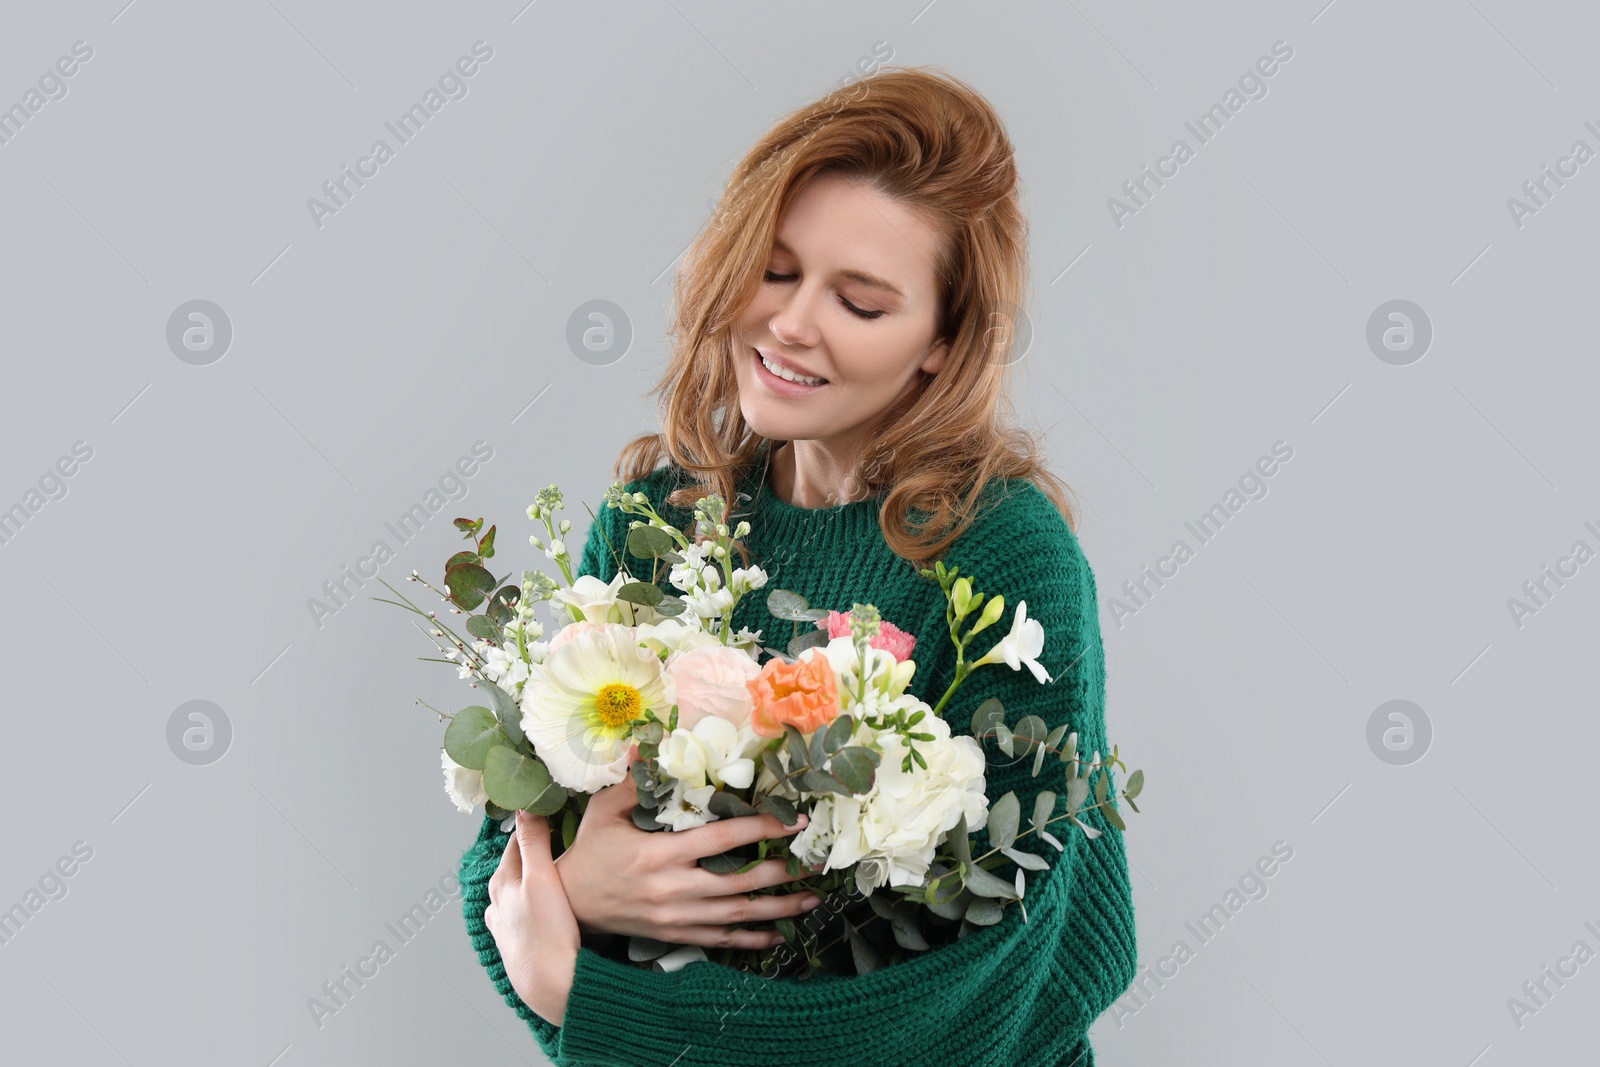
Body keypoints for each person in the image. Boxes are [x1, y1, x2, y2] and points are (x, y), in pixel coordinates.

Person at [458, 66, 1137, 1066]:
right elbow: (503, 874)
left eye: (859, 303)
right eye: (773, 270)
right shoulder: (656, 520)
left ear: (940, 347)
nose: (790, 322)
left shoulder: (1002, 553)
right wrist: (579, 887)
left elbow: (996, 975)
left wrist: (595, 1001)